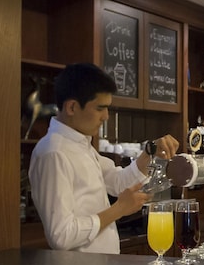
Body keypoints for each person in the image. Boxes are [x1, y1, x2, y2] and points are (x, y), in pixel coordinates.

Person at [29, 62, 180, 253]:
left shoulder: (81, 145)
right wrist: (119, 209)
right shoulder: (54, 153)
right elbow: (61, 235)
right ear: (72, 107)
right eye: (100, 108)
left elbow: (118, 182)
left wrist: (150, 152)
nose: (106, 116)